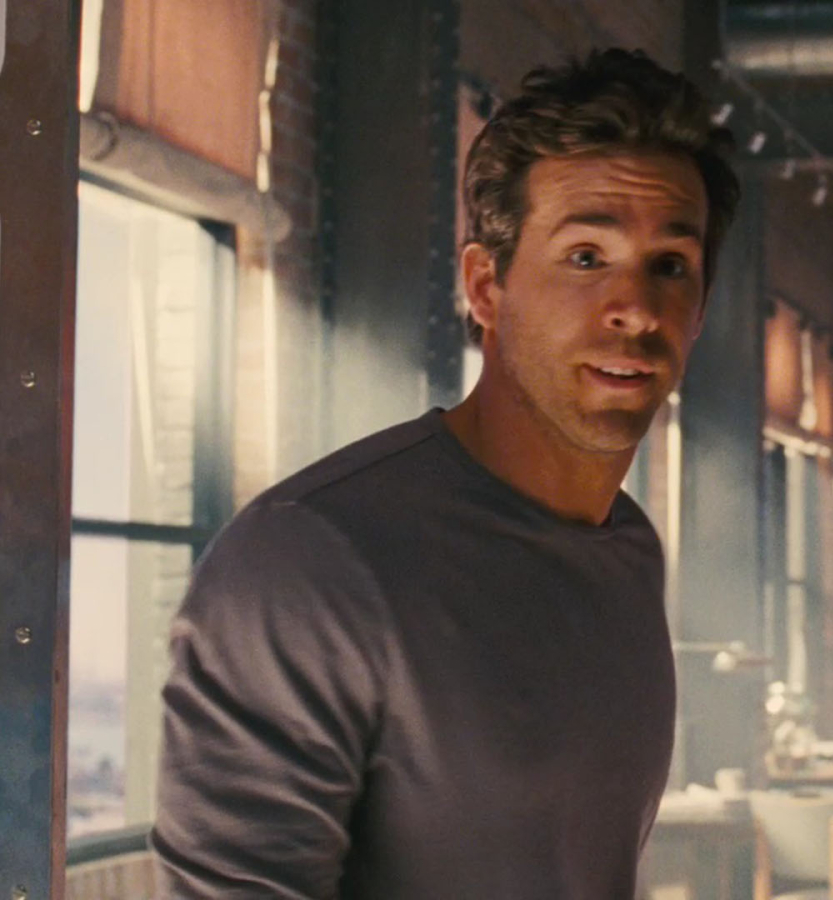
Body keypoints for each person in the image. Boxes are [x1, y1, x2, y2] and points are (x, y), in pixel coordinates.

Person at [151, 48, 740, 899]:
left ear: (701, 306)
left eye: (670, 266)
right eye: (585, 256)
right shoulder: (308, 561)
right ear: (486, 286)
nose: (636, 309)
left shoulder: (629, 549)